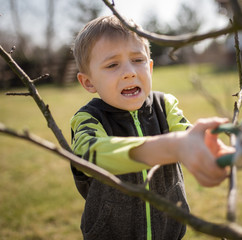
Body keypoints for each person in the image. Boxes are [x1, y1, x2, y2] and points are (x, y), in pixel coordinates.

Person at [70, 15, 233, 240]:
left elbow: (188, 136)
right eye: (112, 64)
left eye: (138, 60)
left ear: (150, 66)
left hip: (169, 230)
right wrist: (167, 147)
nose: (130, 72)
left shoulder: (165, 106)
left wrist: (214, 151)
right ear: (88, 82)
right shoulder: (88, 118)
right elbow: (87, 155)